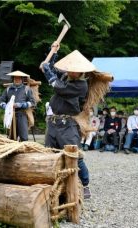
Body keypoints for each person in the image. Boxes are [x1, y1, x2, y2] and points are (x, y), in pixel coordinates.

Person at [40, 42, 92, 199]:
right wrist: (54, 51)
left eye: (76, 70)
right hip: (53, 122)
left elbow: (57, 86)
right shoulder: (66, 76)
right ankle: (54, 182)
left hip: (68, 124)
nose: (72, 72)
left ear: (81, 72)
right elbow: (49, 67)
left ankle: (85, 184)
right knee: (50, 153)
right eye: (71, 69)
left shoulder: (81, 85)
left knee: (74, 155)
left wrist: (47, 71)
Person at [0, 70, 35, 141]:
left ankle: (23, 150)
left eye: (19, 78)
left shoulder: (27, 89)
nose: (17, 80)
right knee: (11, 137)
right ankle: (13, 151)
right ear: (13, 79)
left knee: (24, 137)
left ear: (21, 79)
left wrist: (21, 105)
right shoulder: (8, 89)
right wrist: (6, 106)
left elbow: (32, 102)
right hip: (10, 116)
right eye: (15, 78)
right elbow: (1, 101)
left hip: (22, 114)